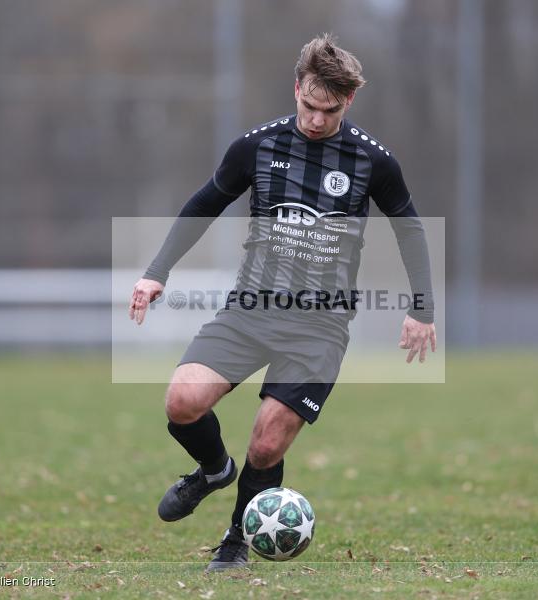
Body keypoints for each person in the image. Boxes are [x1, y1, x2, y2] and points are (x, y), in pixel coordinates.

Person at [129, 33, 436, 571]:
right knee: (182, 401)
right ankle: (213, 471)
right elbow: (204, 204)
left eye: (330, 110)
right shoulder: (256, 147)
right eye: (309, 106)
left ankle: (235, 543)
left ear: (348, 103)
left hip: (320, 327)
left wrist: (423, 308)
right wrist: (157, 272)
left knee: (268, 443)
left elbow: (410, 229)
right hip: (249, 310)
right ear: (295, 89)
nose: (316, 120)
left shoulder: (371, 161)